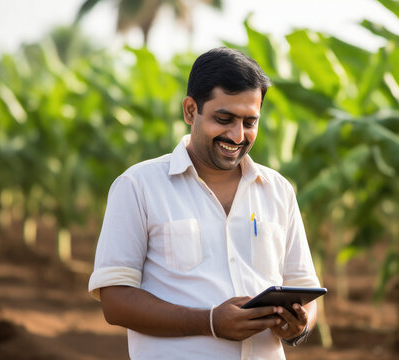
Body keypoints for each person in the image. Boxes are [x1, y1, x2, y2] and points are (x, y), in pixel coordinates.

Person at [88, 47, 322, 360]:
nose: (237, 135)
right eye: (224, 119)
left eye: (250, 122)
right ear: (189, 111)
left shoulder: (278, 190)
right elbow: (115, 302)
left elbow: (305, 290)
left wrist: (297, 328)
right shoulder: (138, 186)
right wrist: (209, 322)